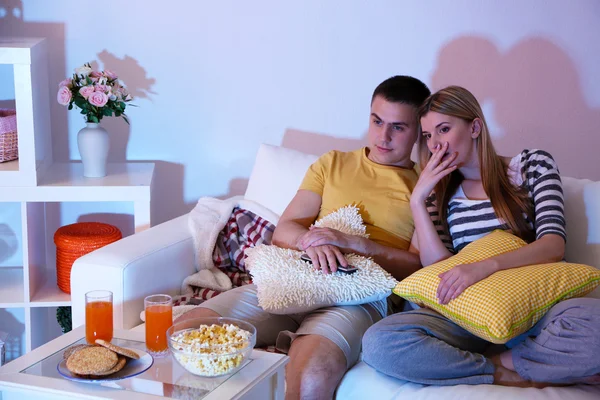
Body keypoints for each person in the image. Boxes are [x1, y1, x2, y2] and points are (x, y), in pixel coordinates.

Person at [176, 75, 431, 399]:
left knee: (312, 372)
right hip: (297, 275)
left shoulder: (424, 185)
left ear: (418, 131)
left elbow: (417, 266)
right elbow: (285, 230)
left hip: (359, 296)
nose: (384, 135)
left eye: (399, 127)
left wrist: (356, 244)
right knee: (186, 333)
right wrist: (317, 241)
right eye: (377, 121)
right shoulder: (333, 163)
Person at [362, 85, 600, 387]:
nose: (435, 144)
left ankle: (510, 361)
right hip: (467, 316)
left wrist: (484, 267)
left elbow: (553, 245)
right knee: (379, 342)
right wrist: (418, 202)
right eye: (427, 135)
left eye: (444, 129)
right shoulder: (440, 195)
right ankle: (504, 372)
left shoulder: (532, 166)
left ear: (474, 127)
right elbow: (439, 268)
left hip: (537, 309)